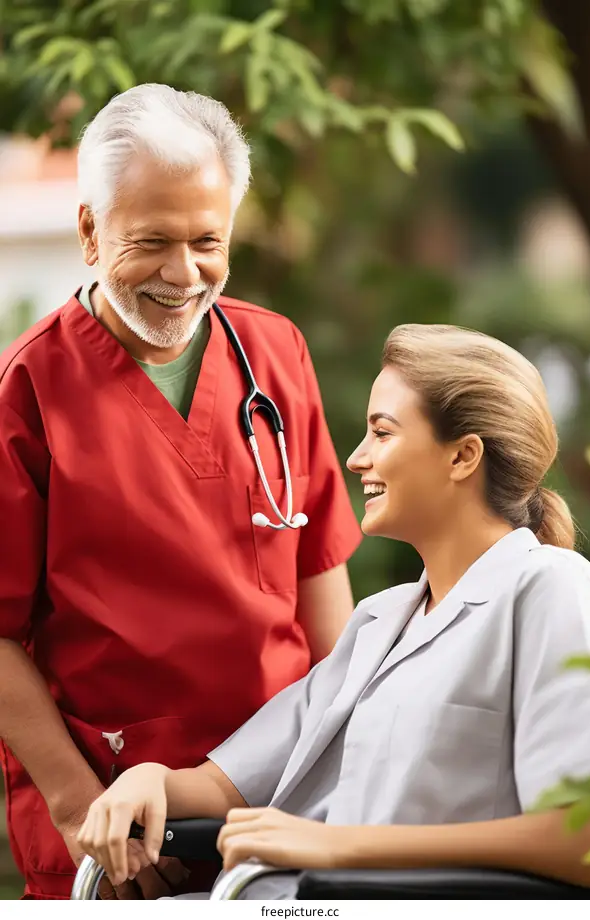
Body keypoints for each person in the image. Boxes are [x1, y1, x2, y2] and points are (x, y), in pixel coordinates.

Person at [79, 323, 590, 899]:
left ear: (463, 456)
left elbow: (586, 840)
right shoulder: (383, 621)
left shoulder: (551, 588)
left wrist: (339, 845)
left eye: (382, 433)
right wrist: (148, 780)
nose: (357, 459)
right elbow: (224, 786)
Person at [0, 84, 362, 900]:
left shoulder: (275, 351)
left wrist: (352, 762)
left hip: (284, 800)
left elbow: (319, 581)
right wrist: (75, 808)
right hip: (119, 826)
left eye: (207, 240)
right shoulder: (27, 391)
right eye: (151, 241)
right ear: (90, 231)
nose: (182, 272)